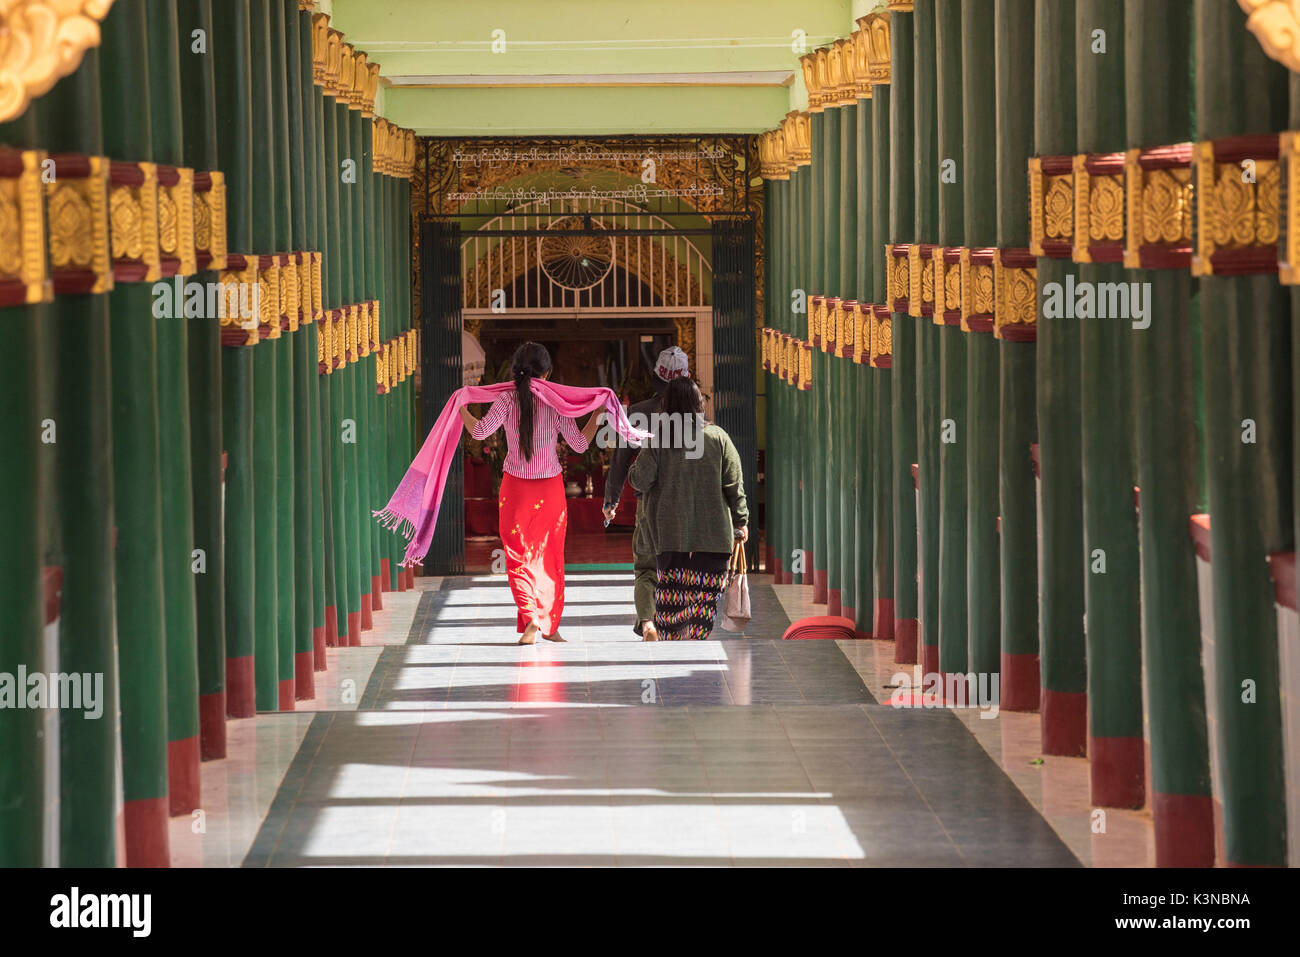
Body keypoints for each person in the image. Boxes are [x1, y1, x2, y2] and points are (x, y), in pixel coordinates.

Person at [459, 342, 602, 645]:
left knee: (517, 556)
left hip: (515, 490)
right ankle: (549, 624)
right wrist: (597, 413)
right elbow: (578, 444)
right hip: (550, 491)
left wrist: (460, 408)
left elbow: (480, 432)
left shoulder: (506, 400)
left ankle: (532, 619)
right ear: (547, 373)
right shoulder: (555, 402)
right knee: (550, 557)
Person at [629, 376, 748, 641]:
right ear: (698, 404)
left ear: (666, 406)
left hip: (670, 538)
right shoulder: (719, 438)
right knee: (703, 608)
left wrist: (636, 463)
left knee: (672, 606)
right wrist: (741, 521)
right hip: (714, 540)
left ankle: (671, 643)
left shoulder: (659, 441)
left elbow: (640, 480)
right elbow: (734, 485)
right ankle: (694, 646)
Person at [602, 346, 691, 642]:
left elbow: (619, 460)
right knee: (680, 563)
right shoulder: (697, 419)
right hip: (686, 505)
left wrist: (611, 500)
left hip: (649, 503)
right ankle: (678, 621)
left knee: (646, 567)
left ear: (657, 379)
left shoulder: (638, 413)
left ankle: (648, 621)